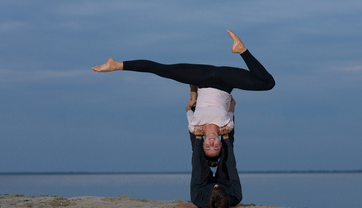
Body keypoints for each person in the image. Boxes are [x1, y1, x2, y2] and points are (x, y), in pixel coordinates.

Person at [92, 30, 275, 161]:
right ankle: (241, 49)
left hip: (201, 78)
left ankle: (116, 65)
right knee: (268, 83)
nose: (211, 144)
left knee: (161, 70)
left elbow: (189, 106)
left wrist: (193, 94)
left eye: (208, 147)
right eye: (215, 146)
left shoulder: (194, 127)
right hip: (226, 81)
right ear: (220, 143)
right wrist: (226, 128)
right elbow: (233, 102)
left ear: (202, 144)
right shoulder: (227, 126)